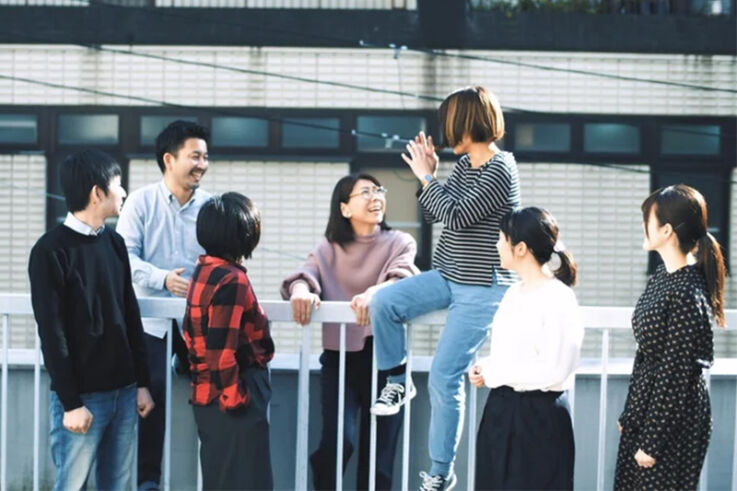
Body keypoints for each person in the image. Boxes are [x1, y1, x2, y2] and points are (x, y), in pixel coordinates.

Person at [369, 86, 521, 491]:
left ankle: (440, 472)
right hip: (447, 275)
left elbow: (454, 215)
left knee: (444, 375)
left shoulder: (502, 168)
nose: (444, 128)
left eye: (449, 120)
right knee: (384, 302)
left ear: (467, 122)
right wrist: (431, 177)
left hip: (482, 286)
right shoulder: (469, 166)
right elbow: (438, 207)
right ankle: (397, 380)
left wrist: (425, 177)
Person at [281, 174, 419, 490]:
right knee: (338, 442)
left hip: (386, 360)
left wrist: (375, 293)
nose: (376, 197)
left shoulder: (400, 242)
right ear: (344, 208)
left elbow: (404, 277)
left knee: (380, 457)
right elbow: (304, 276)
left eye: (379, 190)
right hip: (339, 358)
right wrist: (302, 290)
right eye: (366, 192)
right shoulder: (327, 249)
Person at [28, 150, 154, 490]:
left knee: (118, 484)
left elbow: (129, 314)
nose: (123, 191)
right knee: (72, 485)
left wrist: (141, 383)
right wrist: (71, 403)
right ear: (97, 193)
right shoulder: (49, 251)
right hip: (83, 398)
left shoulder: (114, 243)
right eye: (117, 184)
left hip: (125, 393)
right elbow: (52, 334)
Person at [116, 120, 211, 490]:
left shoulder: (212, 206)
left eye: (205, 156)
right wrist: (162, 279)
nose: (202, 164)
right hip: (151, 319)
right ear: (169, 159)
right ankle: (148, 481)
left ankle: (213, 479)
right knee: (150, 396)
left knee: (212, 394)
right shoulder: (141, 201)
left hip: (198, 319)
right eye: (194, 156)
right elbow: (123, 256)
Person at [614, 184, 725, 490]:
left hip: (672, 422)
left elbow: (677, 372)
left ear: (665, 230)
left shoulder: (688, 292)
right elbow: (647, 353)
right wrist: (632, 414)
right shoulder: (663, 277)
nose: (642, 226)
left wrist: (652, 440)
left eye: (646, 220)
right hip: (649, 410)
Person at [468, 207, 583, 490]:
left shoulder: (559, 297)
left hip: (540, 419)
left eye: (501, 239)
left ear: (520, 248)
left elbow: (555, 370)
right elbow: (510, 353)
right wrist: (486, 367)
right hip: (500, 410)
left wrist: (495, 373)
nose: (496, 245)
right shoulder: (512, 293)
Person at [183, 192, 275, 490]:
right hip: (231, 397)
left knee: (220, 480)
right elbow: (221, 352)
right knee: (250, 482)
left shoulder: (204, 271)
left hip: (206, 395)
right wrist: (238, 400)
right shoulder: (231, 279)